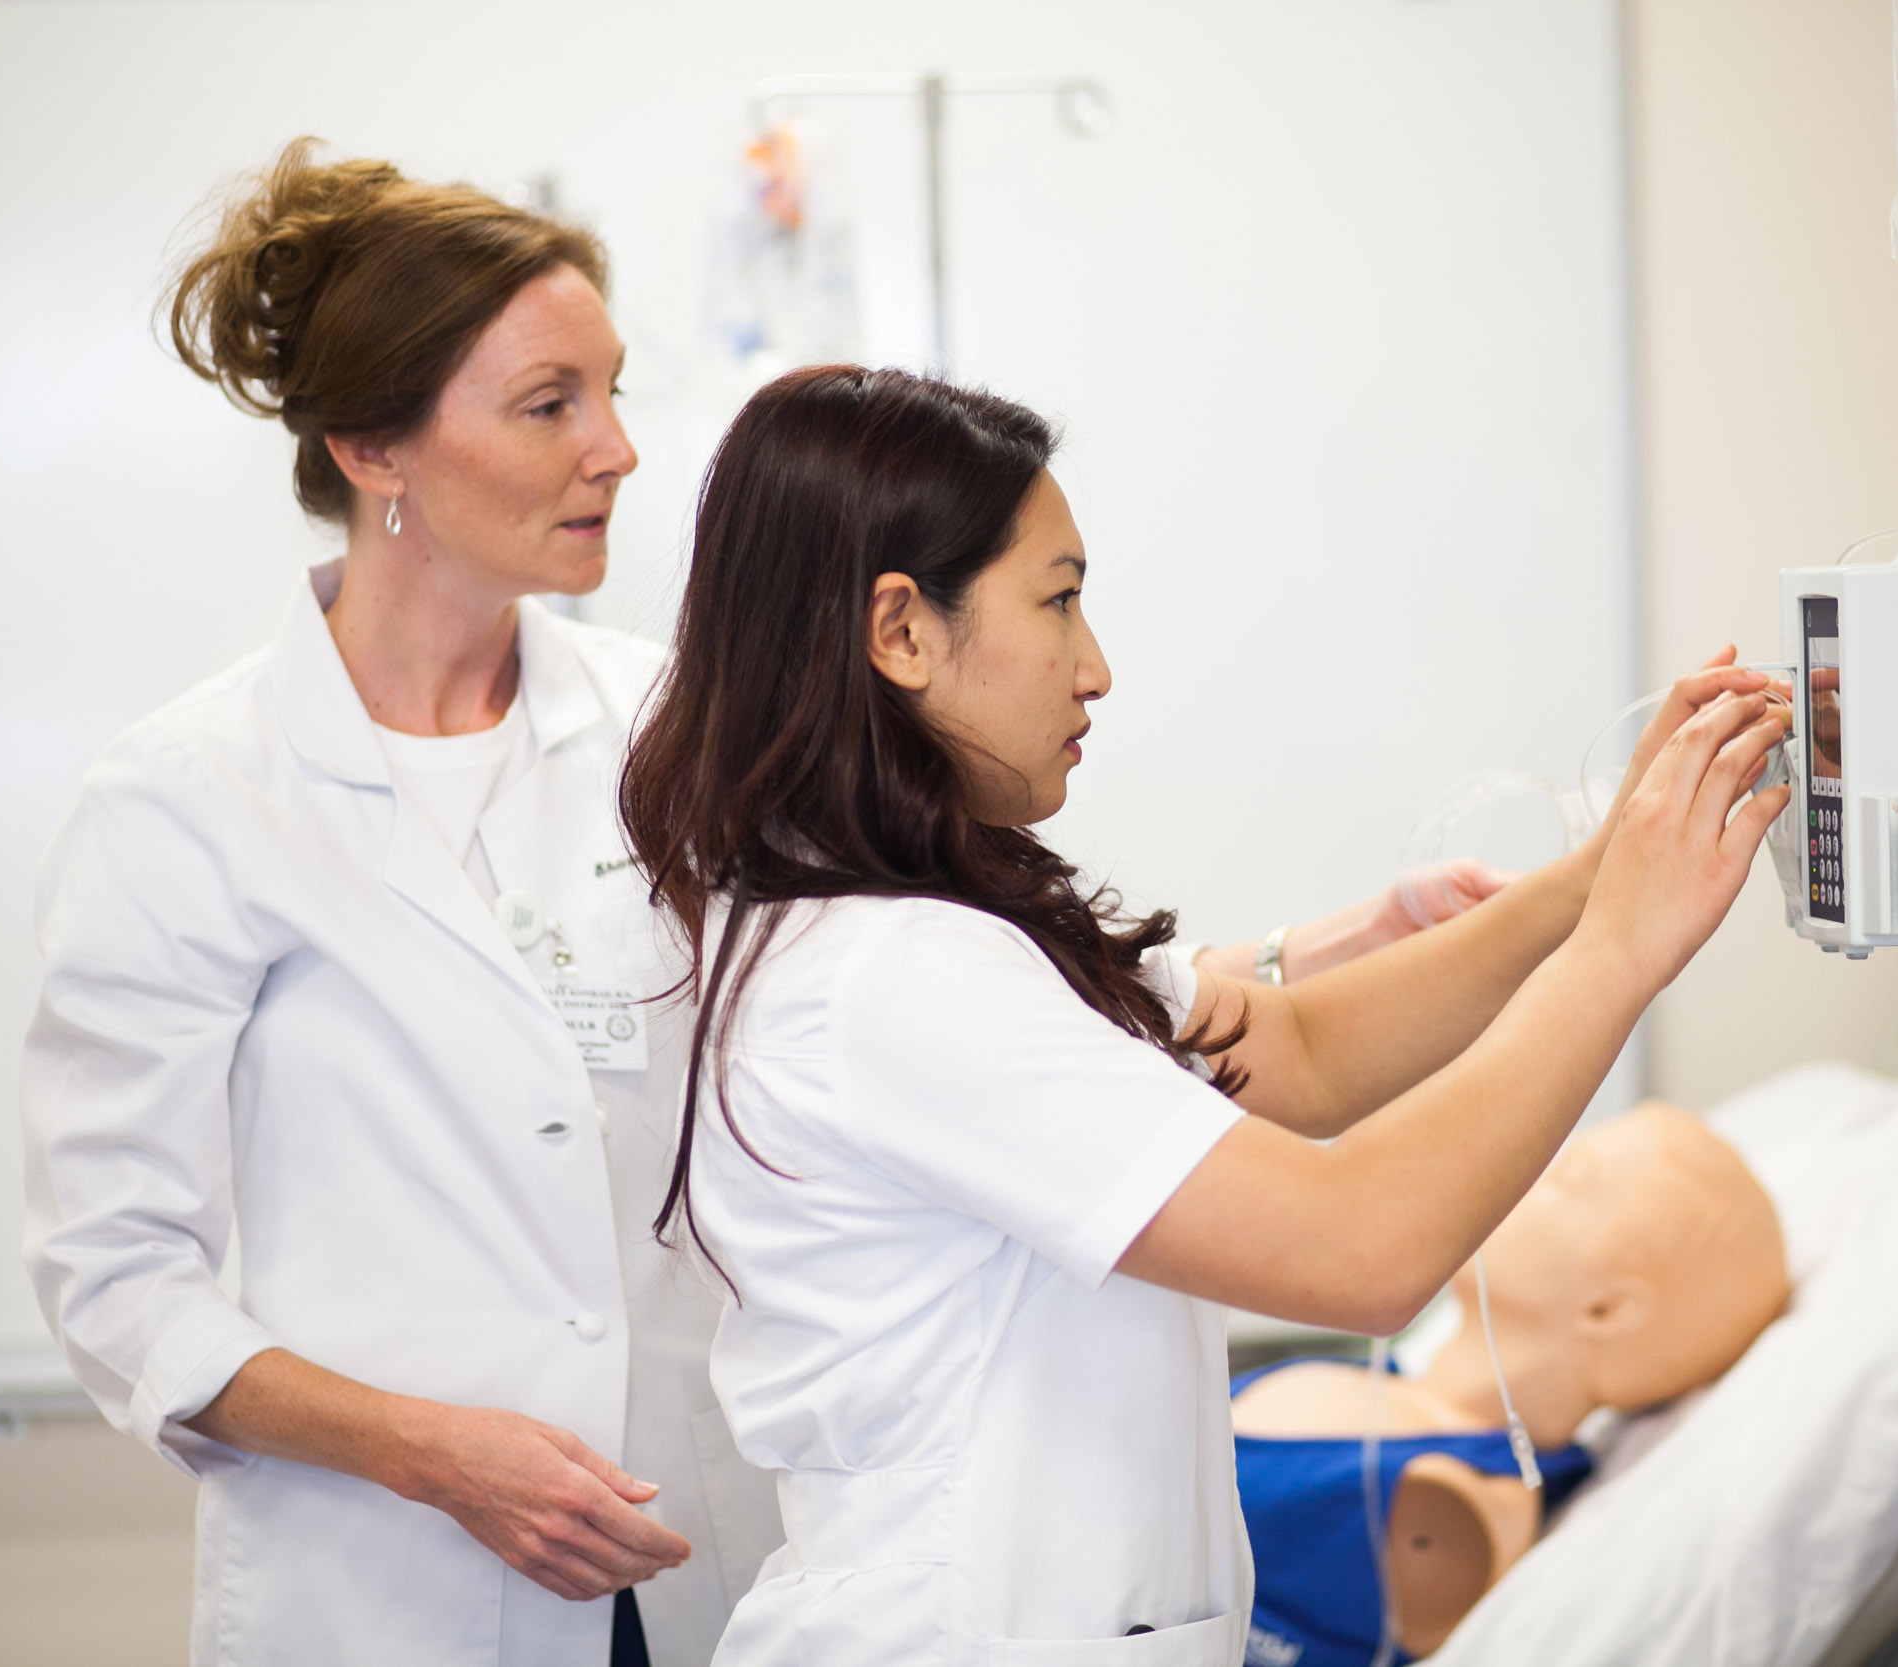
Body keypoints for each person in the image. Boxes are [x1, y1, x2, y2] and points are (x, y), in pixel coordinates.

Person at [614, 366, 1790, 1661]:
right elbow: (1366, 1245)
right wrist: (1622, 950)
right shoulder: (890, 976)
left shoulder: (944, 917)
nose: (1096, 664)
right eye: (1057, 600)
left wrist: (1590, 885)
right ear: (900, 632)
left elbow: (1296, 1047)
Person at [19, 140, 776, 1667]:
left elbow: (884, 984)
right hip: (382, 1583)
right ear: (377, 454)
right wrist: (431, 1450)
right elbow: (118, 1275)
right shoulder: (188, 797)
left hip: (698, 1560)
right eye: (550, 403)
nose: (618, 448)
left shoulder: (670, 729)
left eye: (613, 390)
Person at [1228, 1103, 1790, 1663]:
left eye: (1567, 1174)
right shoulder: (1391, 1390)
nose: (1522, 1169)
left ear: (1607, 1310)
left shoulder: (1446, 1511)